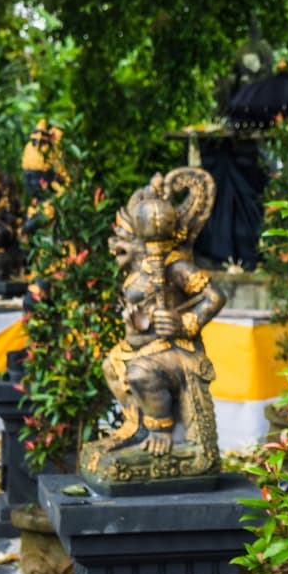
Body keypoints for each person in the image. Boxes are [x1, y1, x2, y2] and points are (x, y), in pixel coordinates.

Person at [84, 168, 226, 484]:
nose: (114, 246)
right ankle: (136, 425)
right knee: (112, 366)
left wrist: (183, 322)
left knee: (139, 372)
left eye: (123, 239)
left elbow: (214, 296)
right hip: (145, 346)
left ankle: (161, 429)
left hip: (175, 352)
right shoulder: (141, 268)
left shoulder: (174, 265)